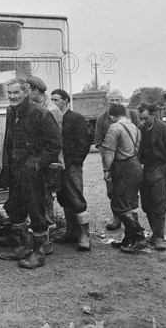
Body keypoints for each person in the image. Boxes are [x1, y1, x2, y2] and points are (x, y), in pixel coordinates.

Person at [0, 78, 61, 269]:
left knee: (36, 210)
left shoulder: (40, 113)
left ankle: (39, 253)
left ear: (26, 92)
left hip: (33, 172)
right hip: (16, 170)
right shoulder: (12, 111)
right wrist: (6, 165)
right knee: (15, 208)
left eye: (16, 93)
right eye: (9, 93)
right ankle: (23, 247)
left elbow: (54, 146)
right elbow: (9, 142)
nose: (12, 97)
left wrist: (36, 164)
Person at [99, 104, 146, 253]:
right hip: (136, 166)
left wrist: (106, 169)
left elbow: (109, 153)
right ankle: (130, 238)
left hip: (123, 167)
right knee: (131, 204)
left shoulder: (114, 128)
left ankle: (138, 237)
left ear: (112, 117)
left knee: (119, 206)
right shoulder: (135, 127)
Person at [26, 75, 64, 254]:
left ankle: (47, 241)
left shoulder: (52, 110)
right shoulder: (38, 107)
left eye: (28, 89)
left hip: (49, 163)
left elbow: (54, 141)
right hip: (41, 161)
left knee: (47, 199)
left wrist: (46, 162)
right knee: (40, 198)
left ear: (35, 91)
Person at [50, 89, 92, 251]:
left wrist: (75, 162)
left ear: (66, 101)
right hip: (58, 166)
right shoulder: (53, 118)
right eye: (52, 100)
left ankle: (84, 236)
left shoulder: (76, 118)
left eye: (57, 100)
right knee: (64, 197)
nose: (54, 103)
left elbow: (84, 143)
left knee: (76, 198)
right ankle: (71, 231)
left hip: (71, 166)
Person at [94, 89, 141, 231]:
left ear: (122, 100)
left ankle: (133, 227)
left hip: (128, 160)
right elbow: (99, 142)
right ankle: (117, 219)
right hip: (111, 160)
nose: (114, 102)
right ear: (107, 101)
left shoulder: (132, 115)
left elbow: (139, 135)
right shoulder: (102, 118)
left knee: (130, 194)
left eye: (117, 100)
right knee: (112, 192)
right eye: (112, 100)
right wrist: (106, 161)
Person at [136, 102, 166, 250]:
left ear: (153, 114)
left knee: (159, 204)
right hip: (145, 170)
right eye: (141, 118)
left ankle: (159, 237)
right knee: (146, 204)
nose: (143, 121)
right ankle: (155, 233)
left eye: (146, 118)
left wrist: (164, 171)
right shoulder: (140, 129)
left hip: (160, 169)